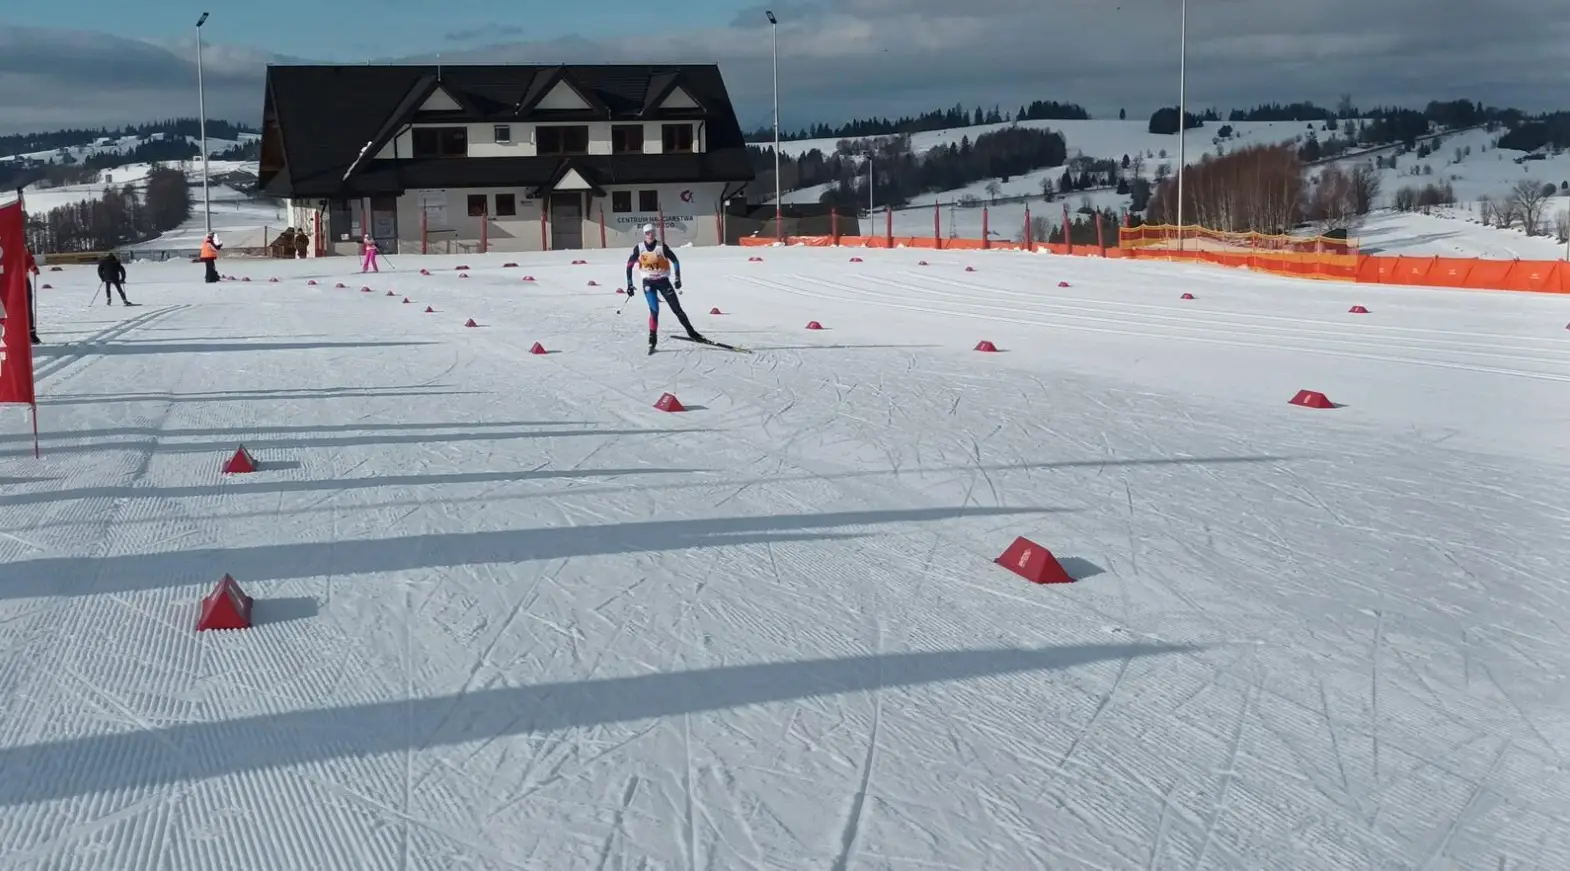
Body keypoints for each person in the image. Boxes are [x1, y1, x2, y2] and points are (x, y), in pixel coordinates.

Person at [625, 223, 704, 354]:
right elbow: (629, 265)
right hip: (649, 283)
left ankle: (692, 333)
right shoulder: (639, 248)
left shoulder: (661, 247)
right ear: (644, 234)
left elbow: (675, 261)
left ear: (655, 233)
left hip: (663, 282)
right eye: (647, 232)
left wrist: (678, 278)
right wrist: (629, 284)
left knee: (677, 309)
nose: (650, 235)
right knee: (654, 311)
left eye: (652, 232)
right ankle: (652, 339)